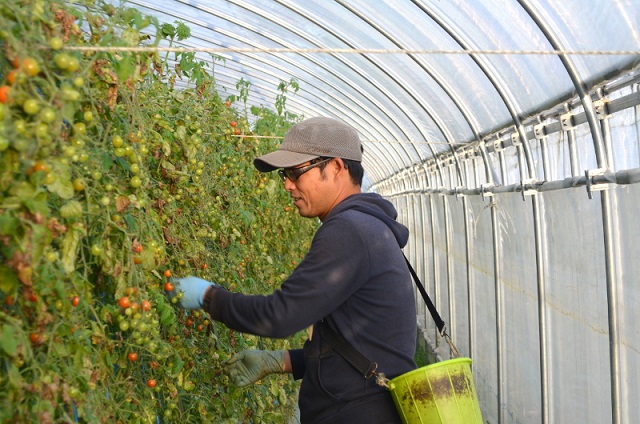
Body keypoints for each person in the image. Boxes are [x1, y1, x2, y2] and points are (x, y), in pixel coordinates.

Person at [174, 116, 417, 424]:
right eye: (284, 175)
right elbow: (363, 345)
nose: (288, 184)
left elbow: (279, 315)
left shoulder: (349, 231)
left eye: (295, 172)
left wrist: (208, 296)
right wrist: (280, 361)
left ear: (337, 168)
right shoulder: (369, 228)